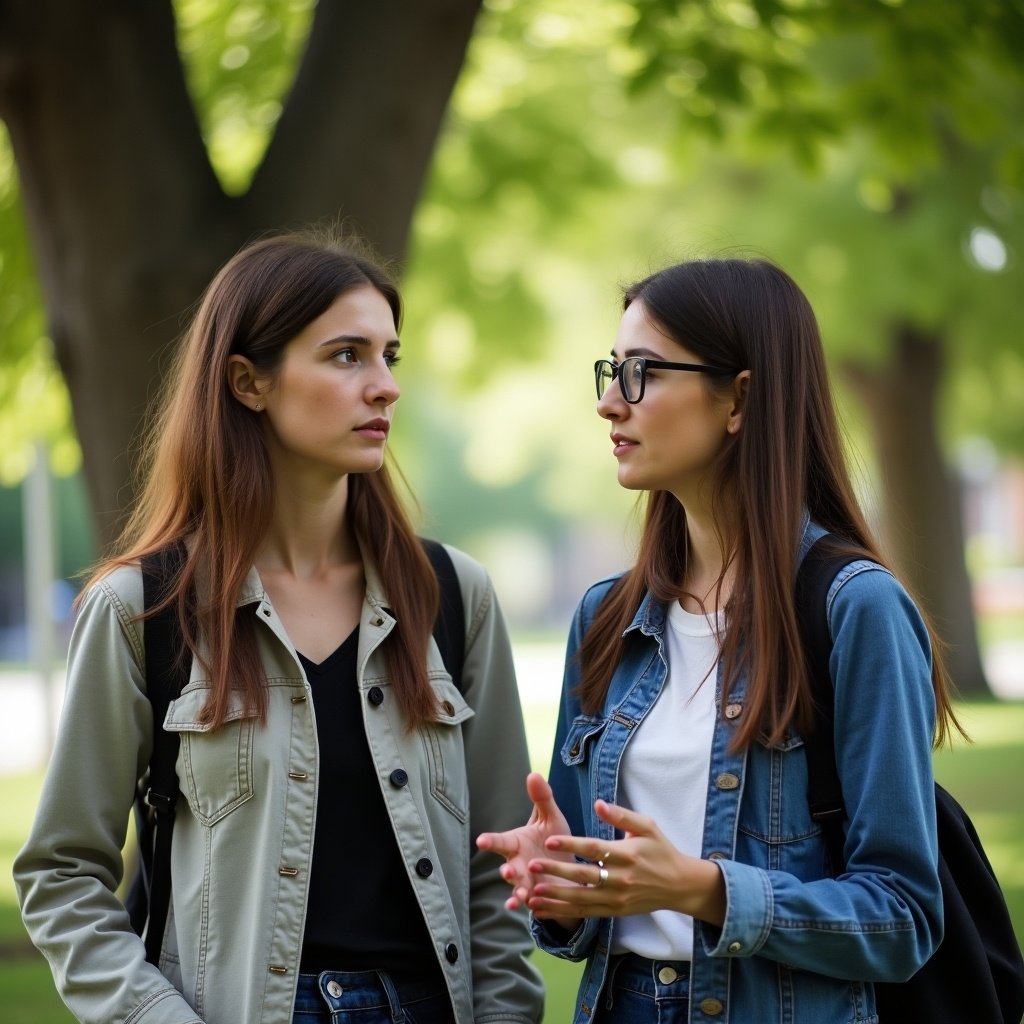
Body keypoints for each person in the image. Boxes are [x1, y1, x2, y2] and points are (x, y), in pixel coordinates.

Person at [15, 231, 544, 1024]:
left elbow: (501, 873)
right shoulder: (140, 609)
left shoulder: (451, 595)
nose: (385, 387)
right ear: (247, 382)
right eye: (346, 356)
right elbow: (61, 876)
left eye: (390, 356)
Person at [477, 256, 960, 1023]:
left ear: (739, 398)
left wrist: (703, 890)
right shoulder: (605, 620)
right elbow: (586, 920)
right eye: (610, 371)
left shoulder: (854, 608)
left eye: (641, 373)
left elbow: (902, 916)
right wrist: (562, 885)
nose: (608, 404)